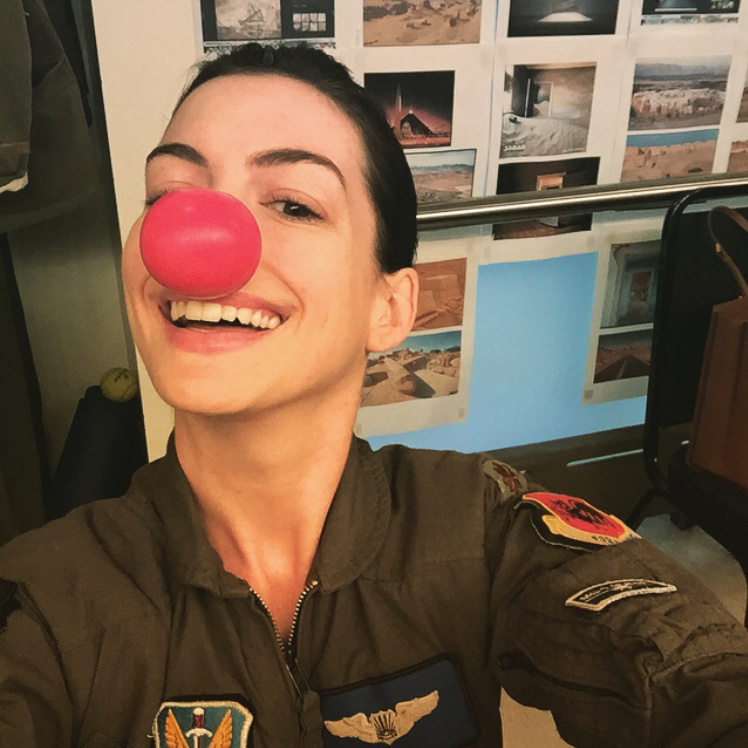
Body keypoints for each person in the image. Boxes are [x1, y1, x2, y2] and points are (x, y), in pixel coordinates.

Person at [1, 43, 748, 748]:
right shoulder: (44, 599)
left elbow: (692, 678)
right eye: (170, 196)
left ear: (389, 308)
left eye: (293, 204)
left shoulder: (482, 526)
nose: (200, 242)